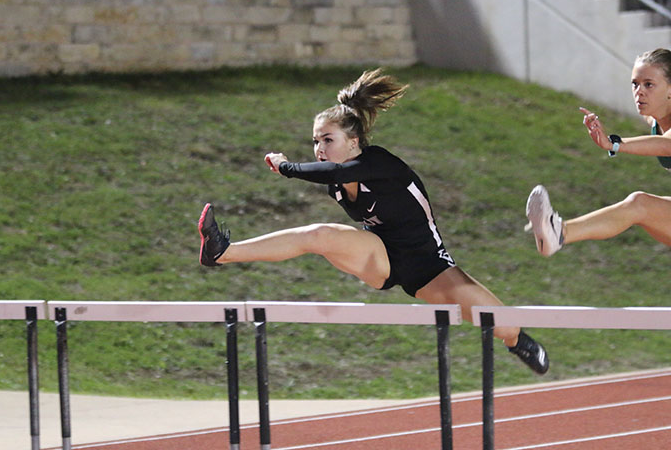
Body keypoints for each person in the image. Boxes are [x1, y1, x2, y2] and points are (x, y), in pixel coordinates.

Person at [199, 68, 548, 374]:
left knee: (505, 325)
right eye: (315, 140)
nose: (319, 148)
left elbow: (334, 169)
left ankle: (518, 342)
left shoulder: (379, 163)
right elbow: (333, 173)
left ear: (354, 142)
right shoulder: (337, 186)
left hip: (429, 265)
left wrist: (286, 167)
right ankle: (223, 251)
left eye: (328, 140)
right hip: (381, 256)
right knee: (319, 235)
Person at [527, 48, 671, 257]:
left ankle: (559, 233)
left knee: (640, 204)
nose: (639, 91)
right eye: (635, 84)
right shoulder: (655, 118)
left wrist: (613, 144)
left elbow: (666, 145)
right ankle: (557, 233)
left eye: (649, 84)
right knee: (638, 205)